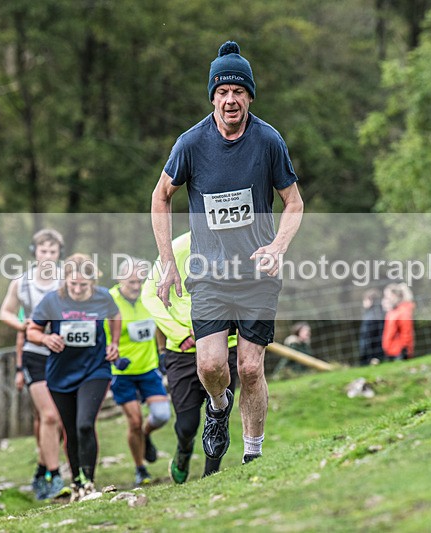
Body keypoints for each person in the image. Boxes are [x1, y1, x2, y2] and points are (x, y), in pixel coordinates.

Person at [151, 41, 304, 465]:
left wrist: (278, 246)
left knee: (251, 369)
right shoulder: (191, 143)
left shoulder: (268, 140)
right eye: (222, 92)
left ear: (250, 96)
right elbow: (161, 196)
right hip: (210, 274)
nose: (230, 99)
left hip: (257, 274)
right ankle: (217, 408)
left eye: (239, 91)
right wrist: (167, 263)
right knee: (211, 366)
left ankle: (253, 455)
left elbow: (294, 202)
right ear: (213, 96)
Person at [141, 232, 239, 483]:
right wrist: (179, 333)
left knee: (219, 413)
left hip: (225, 345)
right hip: (182, 350)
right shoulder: (177, 248)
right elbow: (149, 296)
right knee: (187, 423)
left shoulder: (239, 244)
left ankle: (210, 475)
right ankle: (183, 450)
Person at [27, 253, 121, 502]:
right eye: (73, 284)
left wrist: (114, 343)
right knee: (70, 430)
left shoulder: (103, 297)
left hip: (95, 369)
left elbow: (115, 315)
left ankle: (89, 481)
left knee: (84, 424)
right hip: (61, 373)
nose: (78, 290)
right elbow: (32, 330)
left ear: (92, 282)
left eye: (83, 285)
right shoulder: (52, 301)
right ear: (65, 280)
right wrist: (46, 338)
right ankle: (77, 482)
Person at [0, 228, 65, 500]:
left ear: (59, 253)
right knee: (48, 415)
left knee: (59, 419)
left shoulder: (66, 279)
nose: (48, 256)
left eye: (53, 251)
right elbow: (5, 312)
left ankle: (42, 466)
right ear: (34, 252)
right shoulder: (21, 283)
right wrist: (24, 326)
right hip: (34, 354)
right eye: (43, 250)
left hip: (62, 353)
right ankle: (54, 474)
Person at [106, 257, 171, 486]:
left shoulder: (148, 296)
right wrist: (111, 356)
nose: (136, 286)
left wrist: (162, 352)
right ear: (120, 279)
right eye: (131, 282)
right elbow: (100, 335)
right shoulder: (109, 301)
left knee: (162, 415)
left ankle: (145, 434)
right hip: (121, 372)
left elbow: (160, 323)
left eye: (140, 281)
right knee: (133, 421)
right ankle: (140, 469)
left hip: (148, 368)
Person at [382, 283, 415, 361]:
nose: (386, 299)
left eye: (387, 296)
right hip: (391, 351)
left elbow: (406, 333)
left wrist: (405, 351)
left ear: (394, 296)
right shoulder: (394, 311)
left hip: (399, 353)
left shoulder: (403, 312)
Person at [359, 288, 385, 365]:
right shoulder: (381, 313)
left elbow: (367, 338)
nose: (363, 302)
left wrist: (364, 354)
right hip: (379, 351)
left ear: (371, 300)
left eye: (365, 300)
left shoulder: (370, 317)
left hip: (371, 354)